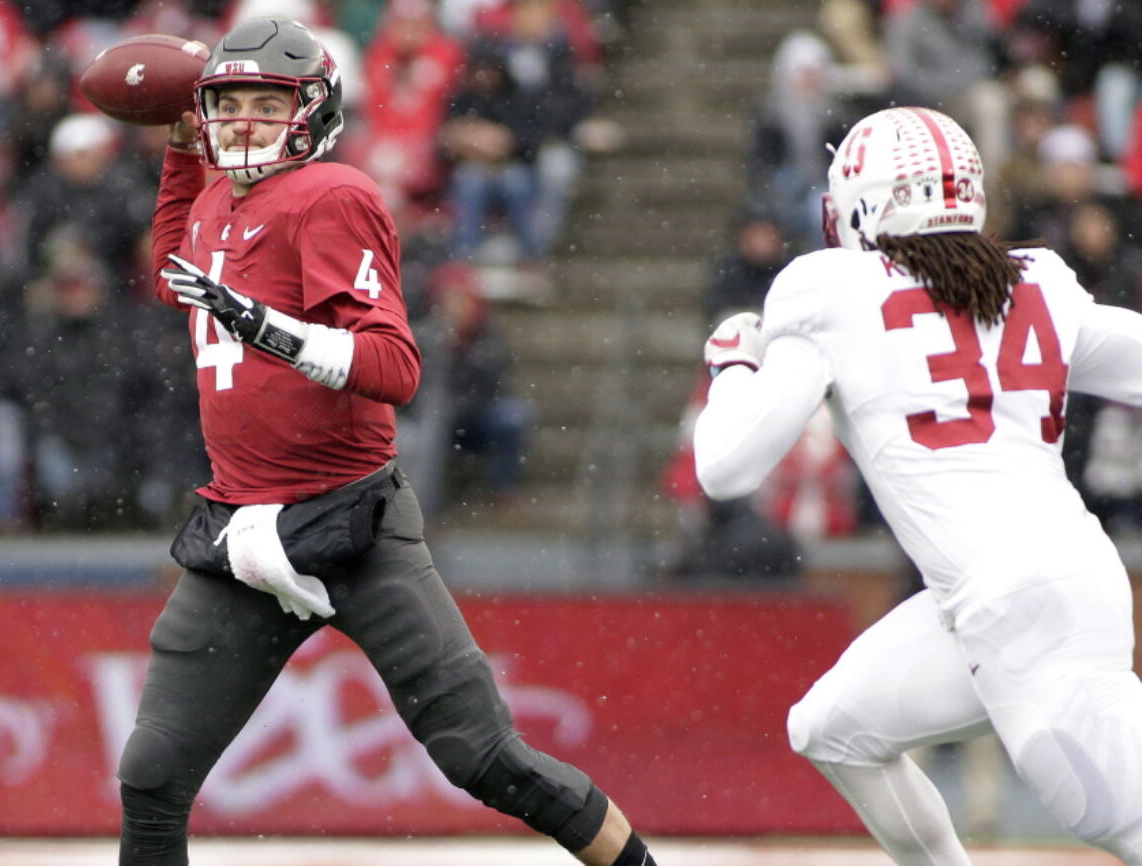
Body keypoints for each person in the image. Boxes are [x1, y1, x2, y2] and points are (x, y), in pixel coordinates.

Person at [118, 17, 656, 866]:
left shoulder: (331, 195)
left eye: (268, 103)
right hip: (242, 529)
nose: (245, 121)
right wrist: (183, 156)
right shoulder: (221, 195)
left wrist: (269, 328)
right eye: (228, 103)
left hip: (350, 521)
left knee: (485, 758)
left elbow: (394, 365)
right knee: (151, 774)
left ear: (313, 112)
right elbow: (174, 269)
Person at [694, 105, 1142, 864]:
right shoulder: (1040, 282)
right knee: (831, 728)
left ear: (863, 203)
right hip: (1025, 592)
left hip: (1014, 607)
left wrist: (734, 365)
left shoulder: (829, 292)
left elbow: (724, 465)